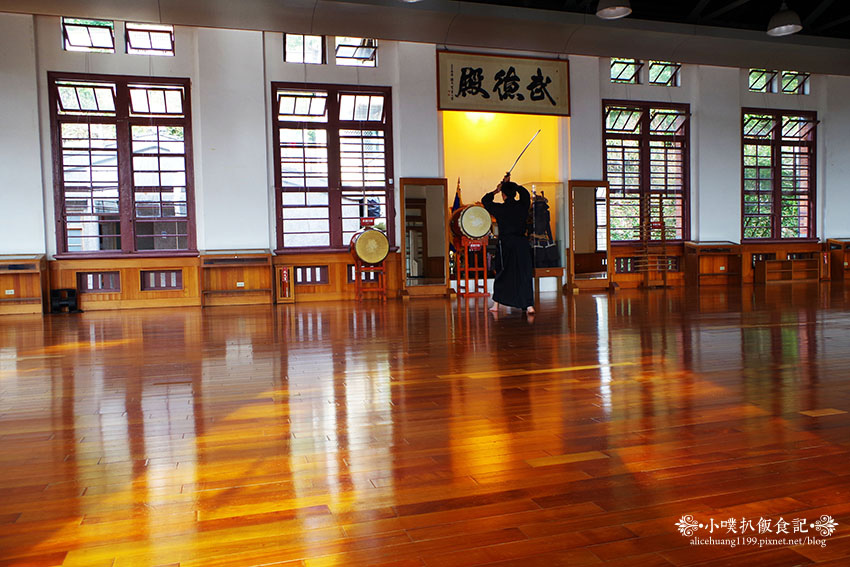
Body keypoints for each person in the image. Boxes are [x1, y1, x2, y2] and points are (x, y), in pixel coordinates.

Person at [482, 173, 535, 314]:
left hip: (506, 244)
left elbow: (485, 201)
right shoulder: (523, 206)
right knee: (524, 273)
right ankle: (529, 306)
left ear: (503, 195)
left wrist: (497, 189)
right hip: (522, 243)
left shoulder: (500, 209)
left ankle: (496, 305)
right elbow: (524, 193)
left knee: (503, 273)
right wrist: (512, 185)